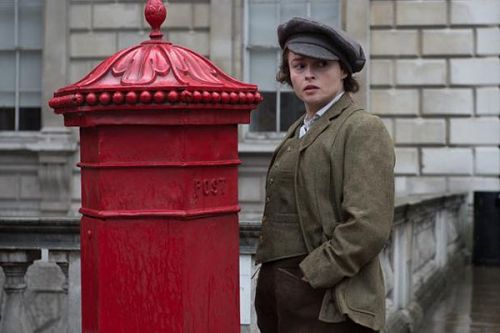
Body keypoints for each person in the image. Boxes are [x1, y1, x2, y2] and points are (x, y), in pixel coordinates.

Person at [254, 17, 395, 333]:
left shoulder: (361, 128)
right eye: (299, 65)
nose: (308, 74)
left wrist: (313, 274)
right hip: (278, 296)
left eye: (321, 64)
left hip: (327, 301)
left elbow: (368, 226)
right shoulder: (297, 131)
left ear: (343, 70)